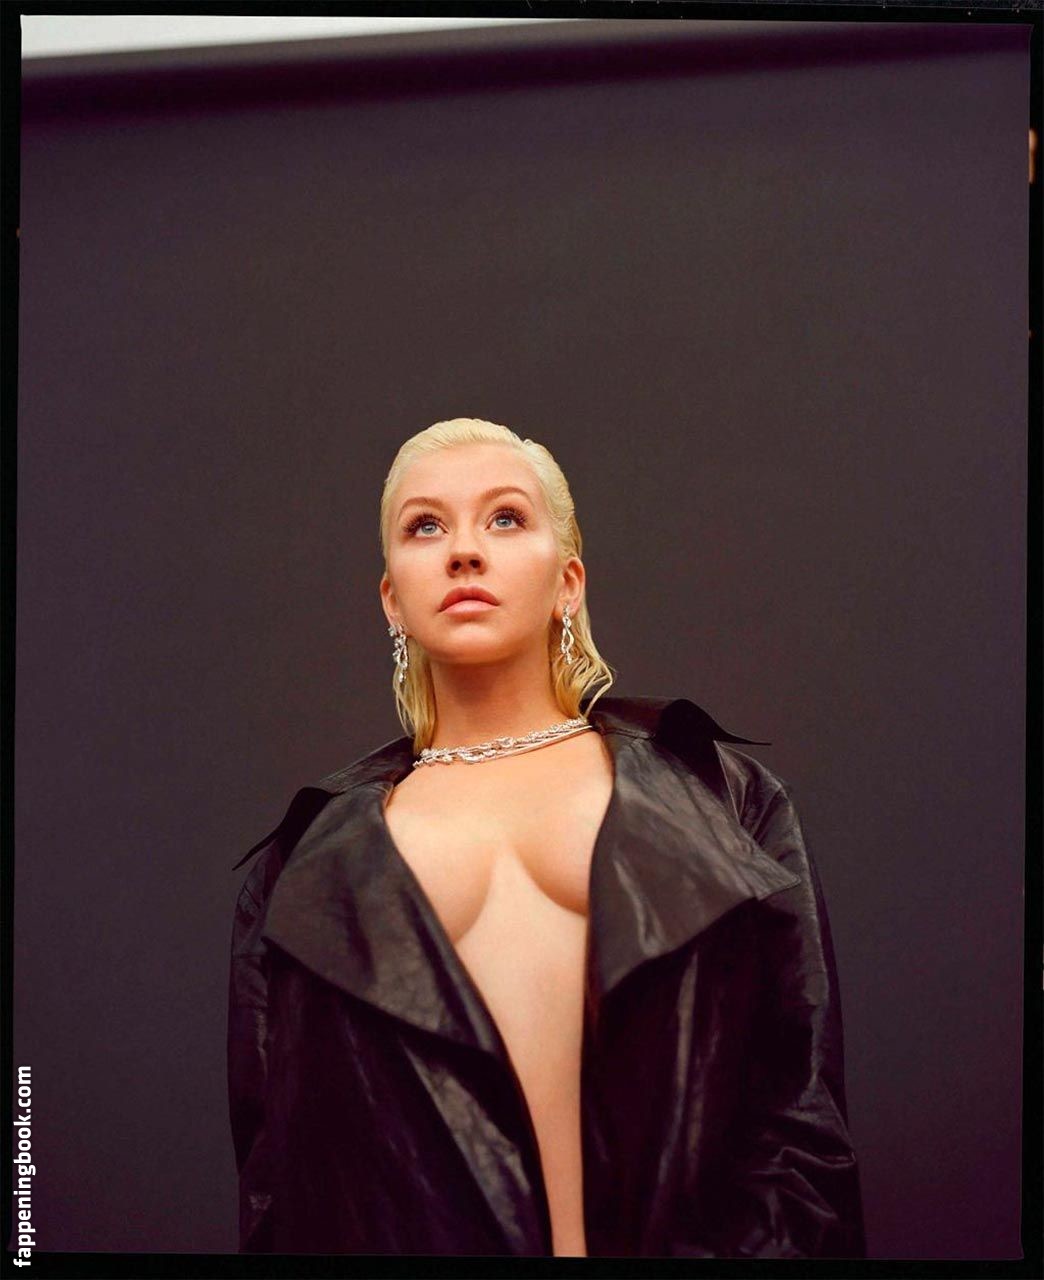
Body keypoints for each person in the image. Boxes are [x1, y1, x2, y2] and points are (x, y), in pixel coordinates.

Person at [227, 417, 867, 1258]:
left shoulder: (722, 800)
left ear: (568, 582)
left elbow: (804, 1129)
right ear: (391, 599)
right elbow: (281, 1194)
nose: (464, 551)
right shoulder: (306, 866)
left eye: (504, 518)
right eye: (425, 526)